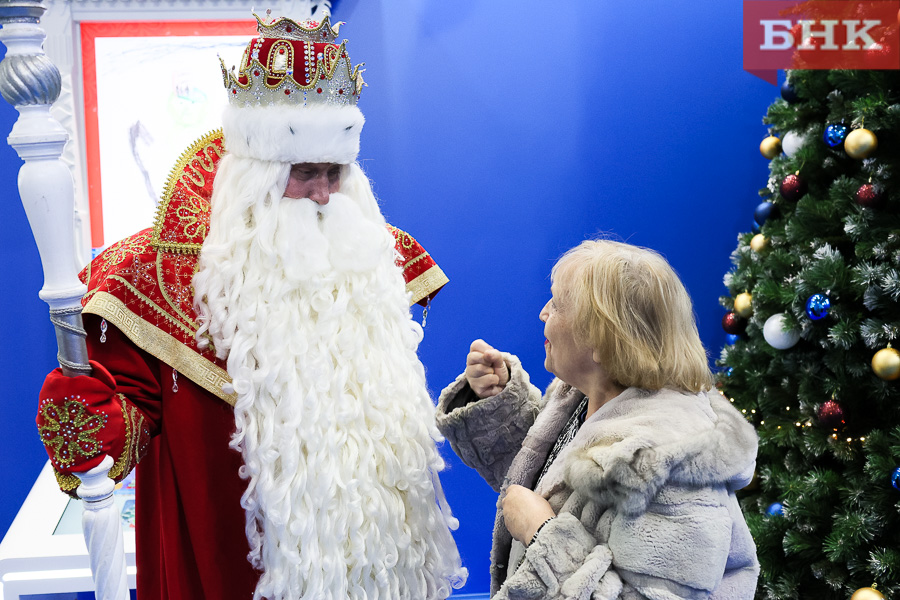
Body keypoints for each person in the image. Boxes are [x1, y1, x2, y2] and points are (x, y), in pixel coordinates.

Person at [35, 12, 466, 600]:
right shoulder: (155, 278)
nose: (323, 193)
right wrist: (86, 416)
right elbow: (120, 431)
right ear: (255, 174)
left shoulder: (367, 256)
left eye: (335, 172)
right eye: (305, 172)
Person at [435, 239, 759, 599]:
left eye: (557, 303)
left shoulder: (669, 463)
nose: (543, 313)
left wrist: (541, 532)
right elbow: (549, 484)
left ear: (603, 337)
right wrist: (495, 401)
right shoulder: (582, 398)